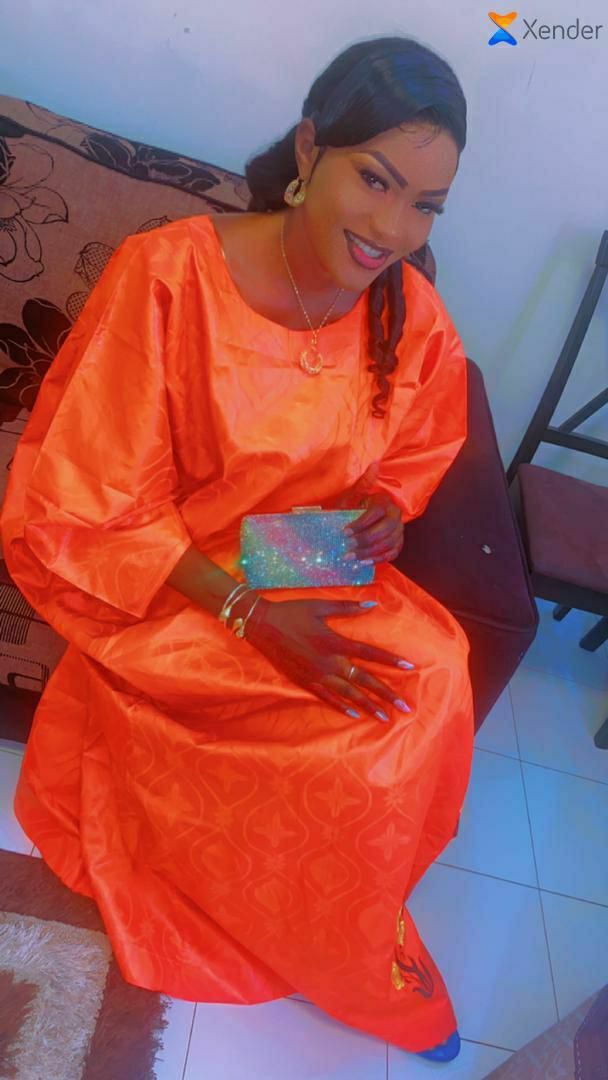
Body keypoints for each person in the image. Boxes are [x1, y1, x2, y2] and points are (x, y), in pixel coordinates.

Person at [0, 34, 474, 1062]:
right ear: (310, 148)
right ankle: (302, 930)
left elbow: (417, 442)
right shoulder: (170, 275)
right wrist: (252, 617)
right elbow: (96, 499)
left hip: (298, 555)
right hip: (173, 576)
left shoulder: (404, 307)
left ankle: (329, 917)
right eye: (375, 179)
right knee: (345, 735)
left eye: (426, 205)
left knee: (430, 676)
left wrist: (386, 509)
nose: (393, 228)